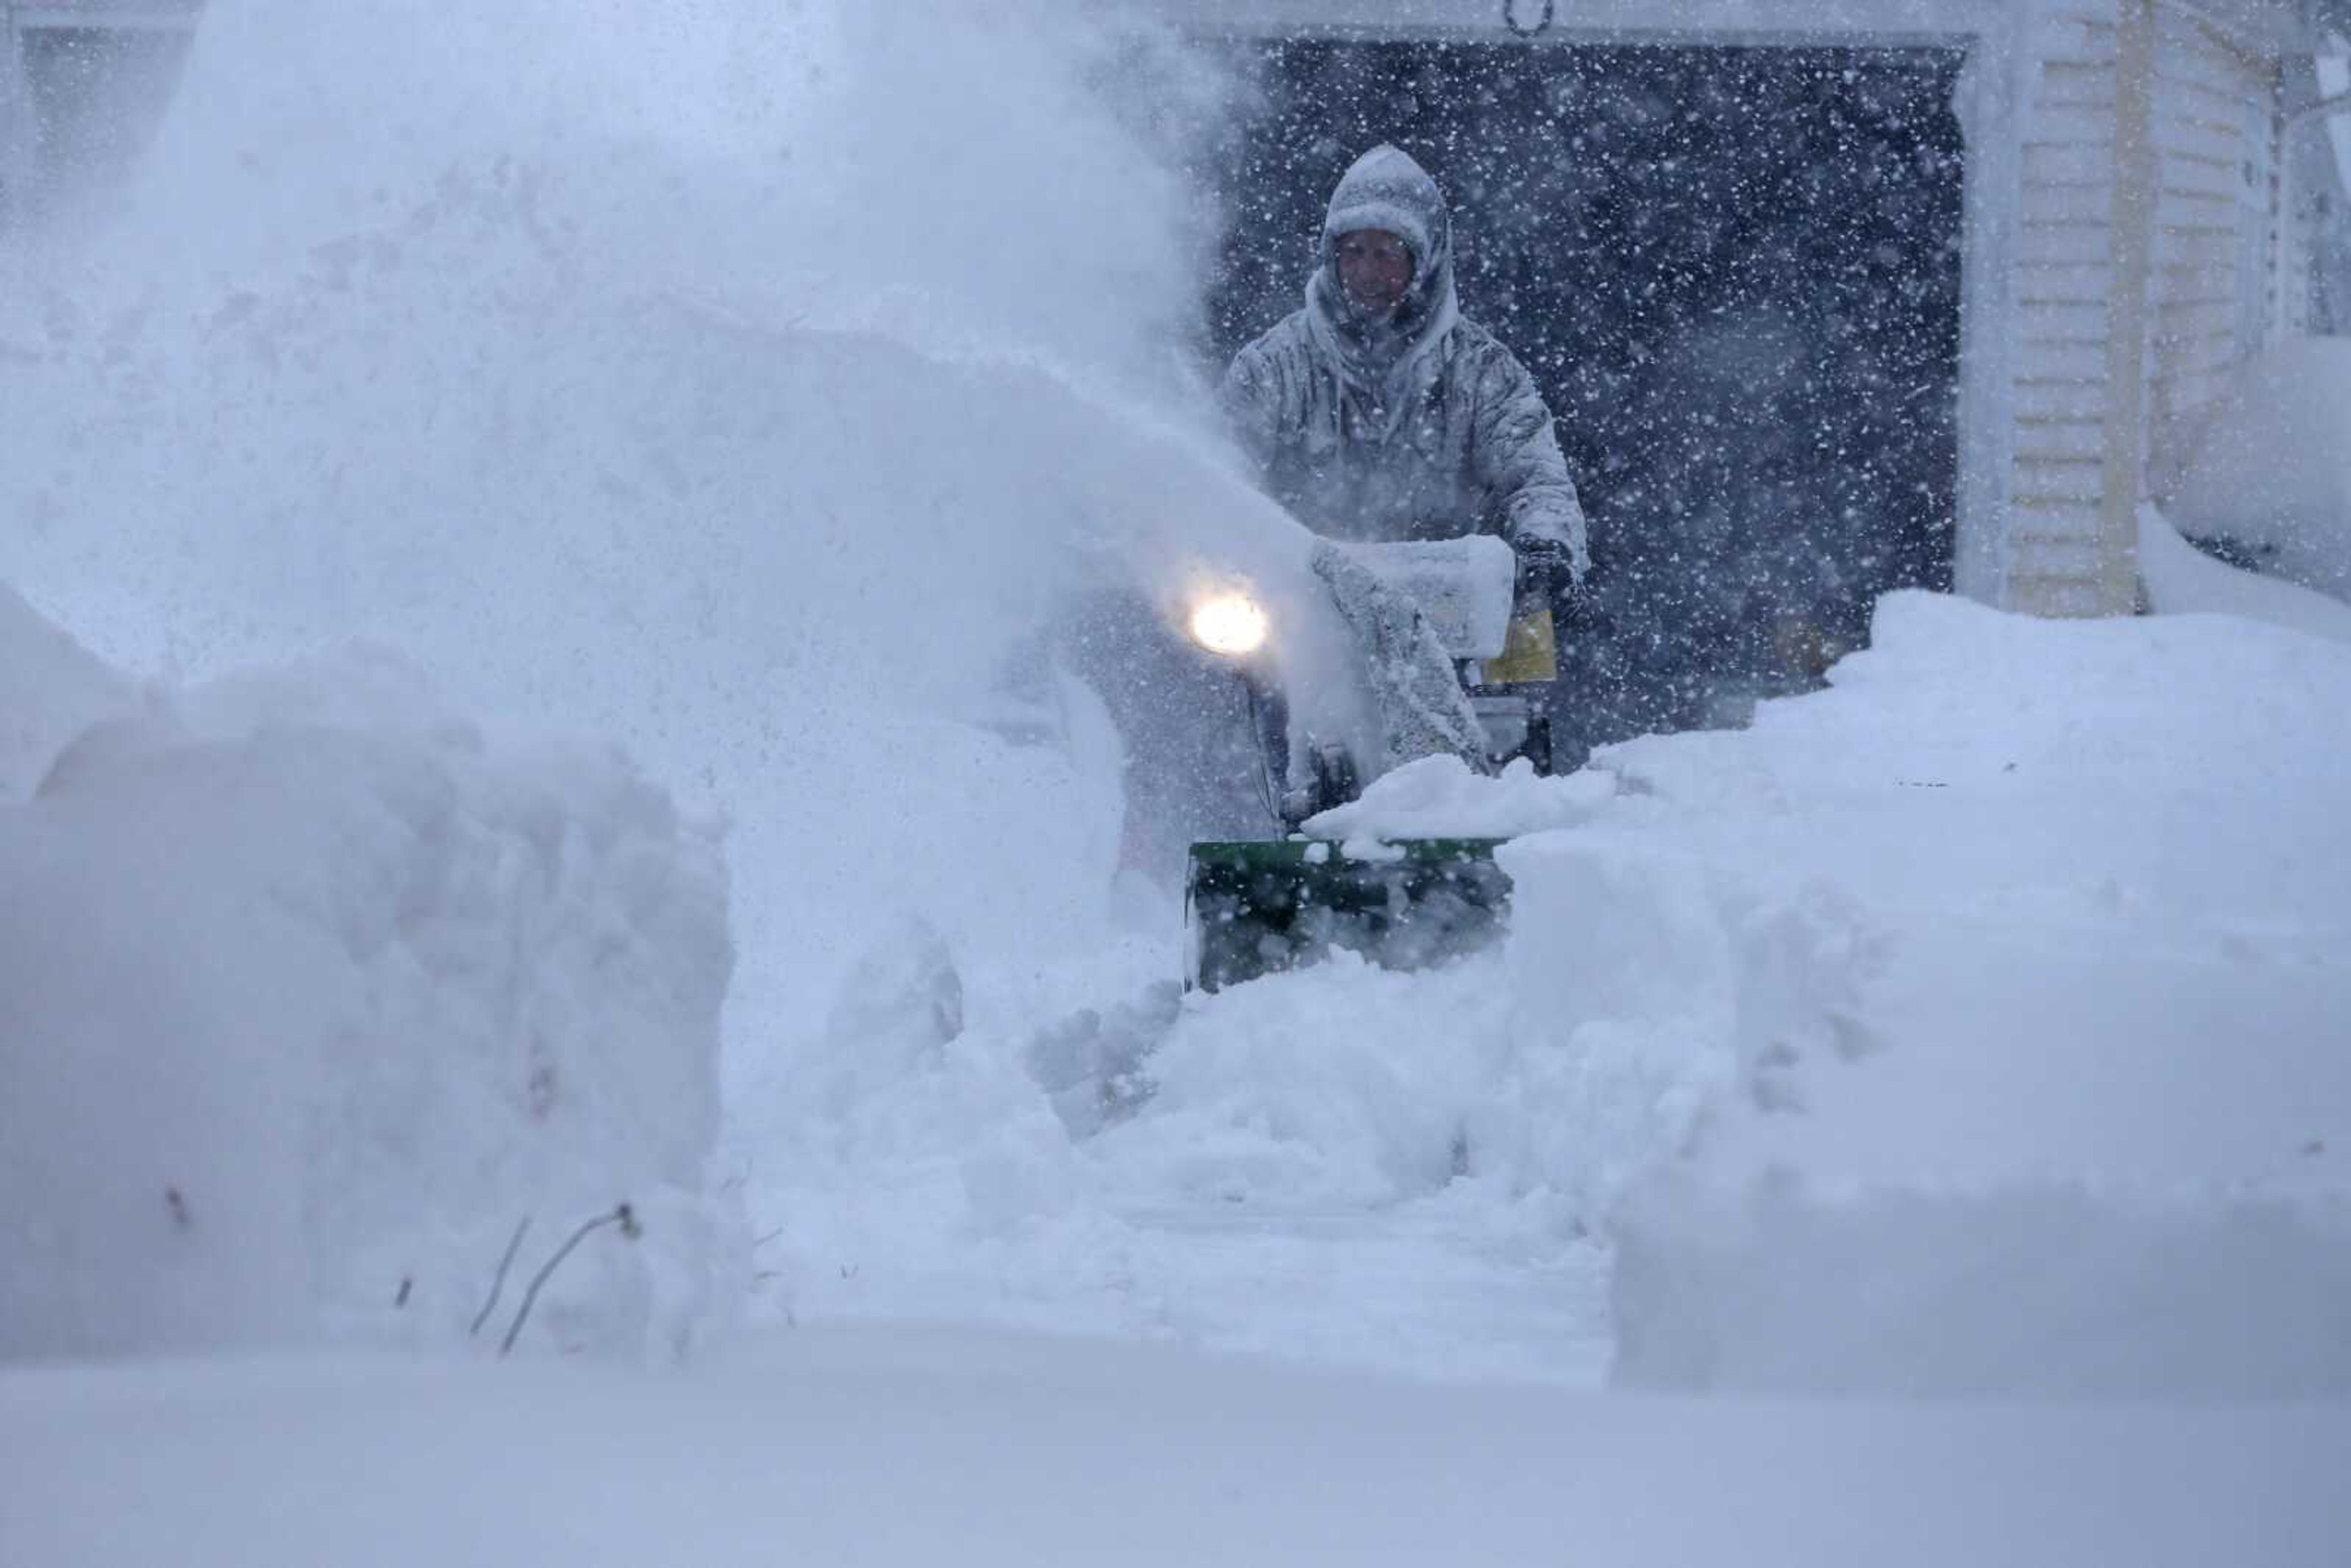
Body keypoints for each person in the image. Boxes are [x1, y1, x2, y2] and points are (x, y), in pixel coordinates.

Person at [1220, 143, 1588, 607]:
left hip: (1461, 608)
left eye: (1387, 254)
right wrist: (1220, 545)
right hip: (1299, 611)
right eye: (1352, 252)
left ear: (1427, 261)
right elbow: (1225, 462)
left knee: (1527, 648)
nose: (1366, 273)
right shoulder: (1275, 365)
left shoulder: (1482, 370)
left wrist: (1546, 544)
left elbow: (1534, 473)